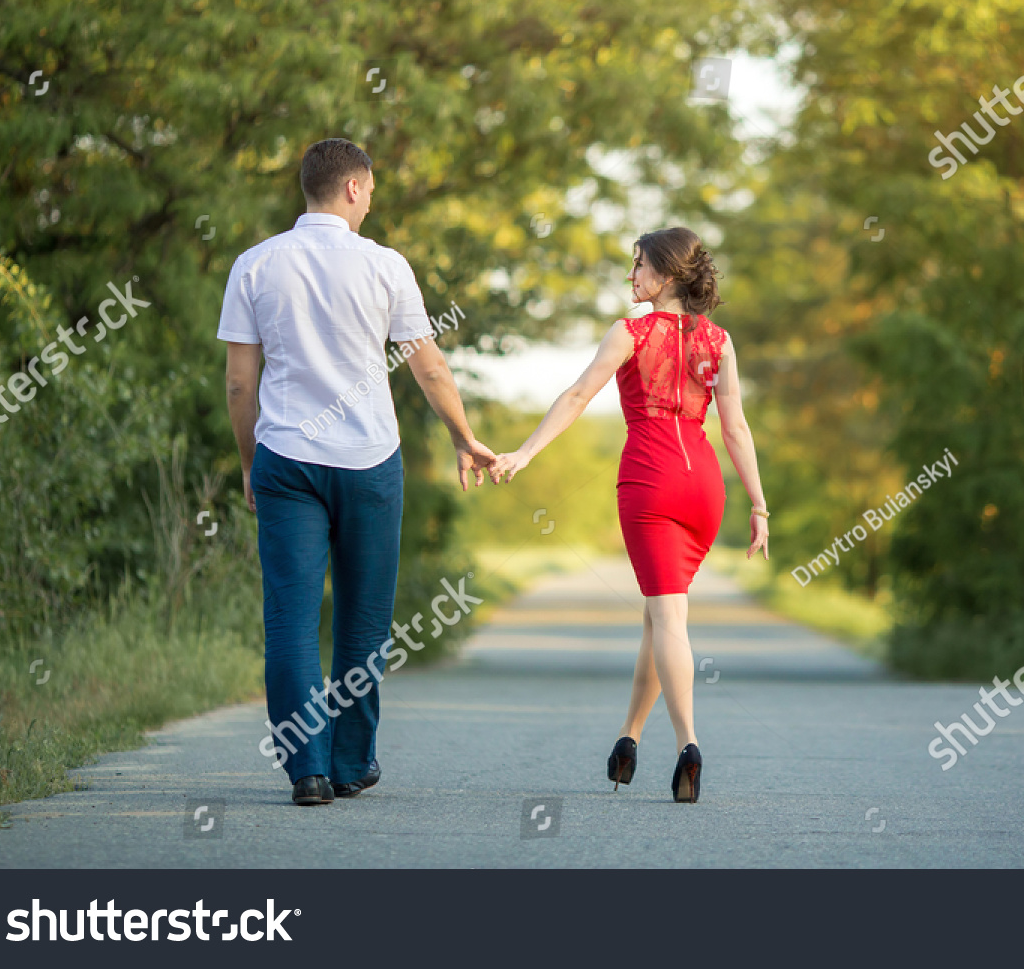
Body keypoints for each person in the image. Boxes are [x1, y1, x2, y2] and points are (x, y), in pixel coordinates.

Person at [218, 138, 497, 806]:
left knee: (288, 620)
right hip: (370, 461)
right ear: (351, 187)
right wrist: (464, 436)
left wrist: (253, 462)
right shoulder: (386, 265)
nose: (371, 200)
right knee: (363, 622)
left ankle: (307, 769)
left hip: (287, 458)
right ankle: (350, 761)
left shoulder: (255, 264)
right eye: (369, 189)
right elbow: (427, 364)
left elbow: (237, 384)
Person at [493, 226, 769, 803]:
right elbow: (736, 428)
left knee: (670, 620)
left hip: (650, 479)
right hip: (705, 486)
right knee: (658, 613)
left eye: (638, 265)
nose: (630, 276)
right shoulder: (719, 341)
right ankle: (629, 737)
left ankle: (689, 745)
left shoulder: (630, 332)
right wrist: (760, 505)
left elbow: (576, 396)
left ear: (666, 275)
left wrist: (523, 453)